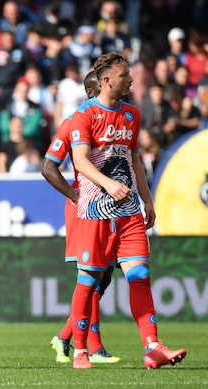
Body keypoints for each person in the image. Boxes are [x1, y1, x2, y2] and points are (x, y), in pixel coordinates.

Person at [69, 52, 186, 369]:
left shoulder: (132, 115)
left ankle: (152, 347)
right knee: (88, 281)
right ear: (107, 80)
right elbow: (80, 161)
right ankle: (80, 350)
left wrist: (147, 199)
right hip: (94, 211)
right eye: (125, 76)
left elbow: (134, 162)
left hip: (129, 211)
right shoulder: (84, 115)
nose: (131, 80)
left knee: (140, 276)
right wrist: (108, 184)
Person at [43, 71, 120, 364]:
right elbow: (49, 167)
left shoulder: (117, 120)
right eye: (95, 89)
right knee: (92, 273)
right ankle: (94, 346)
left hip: (112, 206)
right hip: (85, 206)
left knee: (106, 275)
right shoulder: (75, 122)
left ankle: (64, 335)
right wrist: (76, 196)